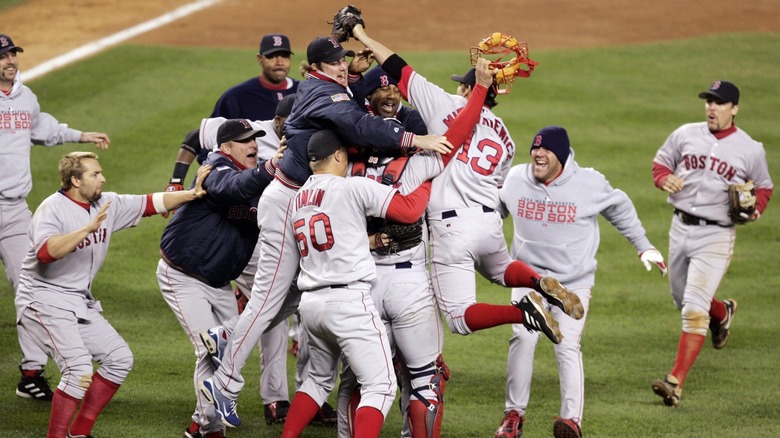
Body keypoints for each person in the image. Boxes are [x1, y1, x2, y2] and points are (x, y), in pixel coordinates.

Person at [198, 35, 454, 428]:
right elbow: (359, 123)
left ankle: (227, 336)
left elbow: (345, 100)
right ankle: (226, 383)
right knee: (268, 300)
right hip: (286, 200)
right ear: (316, 67)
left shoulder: (324, 87)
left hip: (298, 198)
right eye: (335, 61)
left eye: (344, 60)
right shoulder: (320, 93)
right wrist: (414, 139)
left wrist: (353, 72)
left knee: (297, 294)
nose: (342, 66)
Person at [351, 24, 581, 344]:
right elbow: (498, 181)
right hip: (488, 221)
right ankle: (539, 282)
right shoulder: (505, 134)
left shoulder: (444, 104)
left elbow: (396, 67)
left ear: (467, 91)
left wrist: (361, 35)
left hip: (451, 226)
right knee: (500, 269)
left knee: (459, 317)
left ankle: (523, 311)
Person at [14, 151, 209, 438]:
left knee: (119, 358)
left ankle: (79, 432)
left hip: (77, 301)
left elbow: (150, 203)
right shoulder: (52, 209)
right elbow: (46, 253)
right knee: (78, 369)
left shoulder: (107, 203)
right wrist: (86, 229)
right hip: (42, 299)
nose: (103, 177)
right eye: (95, 174)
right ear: (75, 180)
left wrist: (192, 194)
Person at [496, 126, 667, 438]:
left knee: (567, 345)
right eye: (535, 149)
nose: (538, 154)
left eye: (545, 150)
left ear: (560, 155)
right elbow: (493, 212)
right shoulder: (517, 179)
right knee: (523, 338)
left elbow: (620, 207)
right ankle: (513, 416)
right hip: (528, 279)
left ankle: (571, 421)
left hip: (573, 282)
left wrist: (643, 245)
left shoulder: (588, 183)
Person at [280, 128, 439, 438]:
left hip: (311, 306)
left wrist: (371, 240)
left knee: (316, 381)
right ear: (338, 156)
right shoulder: (352, 187)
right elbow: (407, 211)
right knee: (380, 385)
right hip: (348, 303)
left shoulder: (298, 198)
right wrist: (425, 184)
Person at [0, 33, 111, 401]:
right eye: (3, 56)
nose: (10, 61)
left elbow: (43, 129)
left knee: (30, 288)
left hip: (14, 211)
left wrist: (80, 135)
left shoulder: (24, 97)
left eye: (13, 54)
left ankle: (31, 373)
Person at [157, 119, 282, 438]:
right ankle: (206, 427)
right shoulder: (215, 169)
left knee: (229, 348)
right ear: (226, 148)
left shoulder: (258, 178)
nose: (253, 145)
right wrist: (269, 170)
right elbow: (235, 188)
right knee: (209, 349)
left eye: (255, 139)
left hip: (219, 282)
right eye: (245, 141)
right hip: (182, 276)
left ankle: (203, 424)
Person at [650, 80, 773, 408]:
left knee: (692, 309)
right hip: (680, 227)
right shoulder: (685, 134)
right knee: (681, 299)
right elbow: (660, 164)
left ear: (734, 109)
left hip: (716, 235)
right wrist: (665, 179)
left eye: (719, 103)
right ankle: (723, 312)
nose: (711, 108)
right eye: (708, 102)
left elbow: (763, 187)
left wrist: (756, 210)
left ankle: (675, 382)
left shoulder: (750, 148)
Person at [210, 33, 299, 122]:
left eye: (285, 56)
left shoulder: (304, 92)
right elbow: (212, 132)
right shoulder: (236, 97)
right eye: (272, 56)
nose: (280, 62)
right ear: (260, 59)